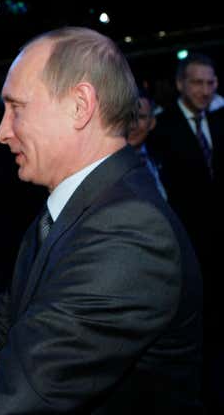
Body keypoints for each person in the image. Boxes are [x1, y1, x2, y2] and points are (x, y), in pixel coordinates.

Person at [0, 27, 203, 414]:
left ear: (80, 105)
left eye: (17, 108)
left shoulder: (129, 230)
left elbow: (20, 397)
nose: (1, 131)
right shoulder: (72, 208)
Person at [146, 52, 223, 412]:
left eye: (211, 83)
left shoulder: (220, 120)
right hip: (188, 248)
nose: (205, 90)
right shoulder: (162, 130)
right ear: (179, 84)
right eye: (197, 83)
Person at [127, 91, 167, 200]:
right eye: (129, 116)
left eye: (141, 117)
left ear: (152, 123)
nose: (133, 125)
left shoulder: (162, 154)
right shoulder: (107, 161)